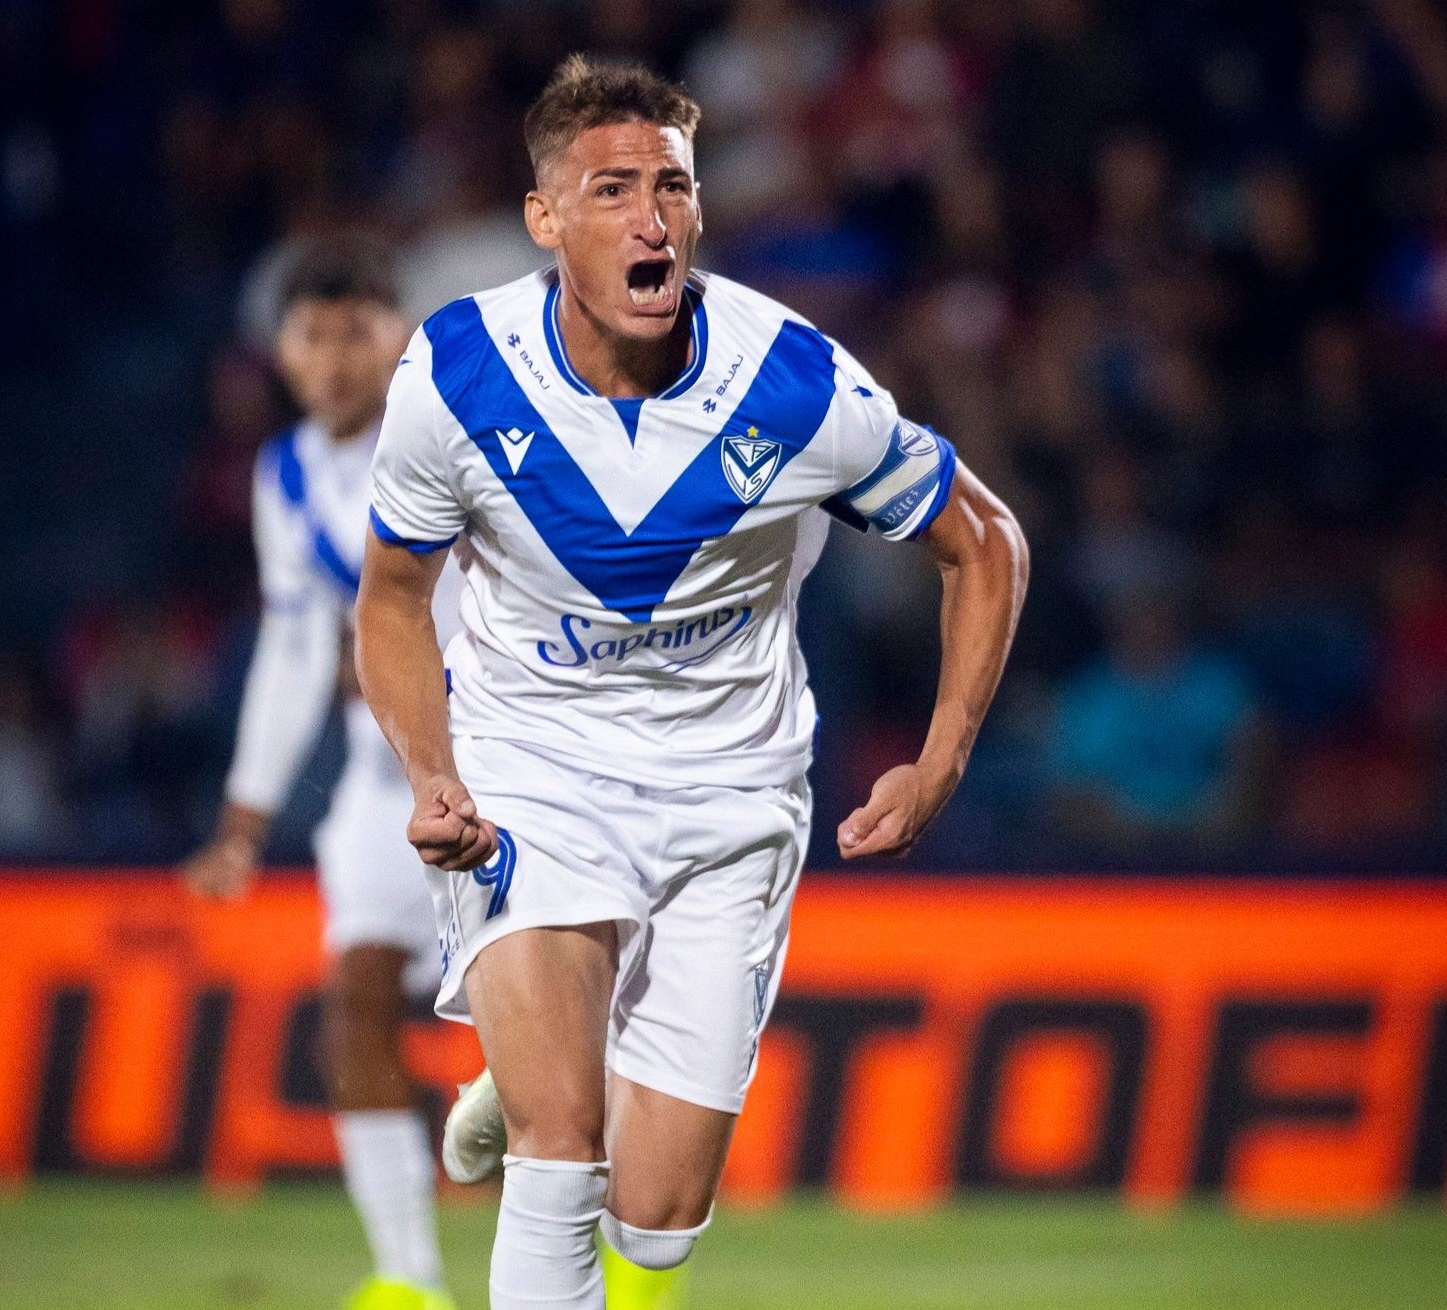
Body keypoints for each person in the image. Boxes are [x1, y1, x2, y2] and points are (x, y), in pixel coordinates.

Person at [355, 57, 1028, 1310]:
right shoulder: (454, 371)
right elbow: (391, 597)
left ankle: (536, 1048)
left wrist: (941, 759)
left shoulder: (796, 382)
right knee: (563, 1149)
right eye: (613, 190)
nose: (653, 219)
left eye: (674, 185)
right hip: (532, 771)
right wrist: (434, 770)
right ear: (545, 218)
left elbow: (983, 542)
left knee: (654, 1226)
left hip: (731, 795)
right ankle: (541, 1052)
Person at [181, 235, 460, 1310]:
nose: (336, 356)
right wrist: (245, 818)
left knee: (538, 1033)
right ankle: (408, 1278)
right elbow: (296, 652)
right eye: (314, 333)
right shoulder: (286, 472)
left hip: (505, 772)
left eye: (359, 330)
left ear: (399, 338)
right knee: (354, 1004)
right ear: (280, 349)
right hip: (378, 788)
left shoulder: (450, 443)